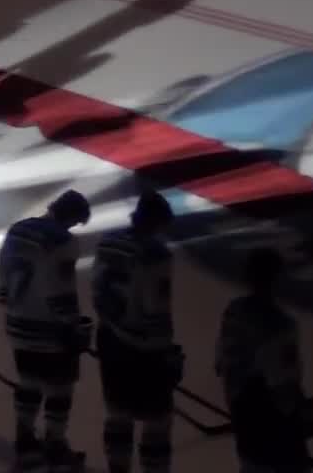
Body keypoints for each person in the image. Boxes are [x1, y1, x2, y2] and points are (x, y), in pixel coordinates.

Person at [0, 189, 93, 472]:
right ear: (72, 216)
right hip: (49, 328)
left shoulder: (18, 230)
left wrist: (8, 301)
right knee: (60, 389)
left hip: (18, 321)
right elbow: (59, 290)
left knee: (28, 384)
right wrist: (72, 324)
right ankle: (55, 444)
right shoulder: (63, 242)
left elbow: (3, 271)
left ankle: (25, 443)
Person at [92, 190, 182, 473]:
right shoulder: (156, 256)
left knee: (118, 413)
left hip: (110, 338)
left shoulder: (107, 243)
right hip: (143, 349)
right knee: (158, 419)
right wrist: (167, 352)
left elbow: (96, 289)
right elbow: (156, 309)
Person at [216, 249, 313, 473]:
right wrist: (305, 413)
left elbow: (220, 363)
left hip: (243, 417)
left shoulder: (233, 312)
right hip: (273, 429)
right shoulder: (280, 326)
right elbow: (284, 391)